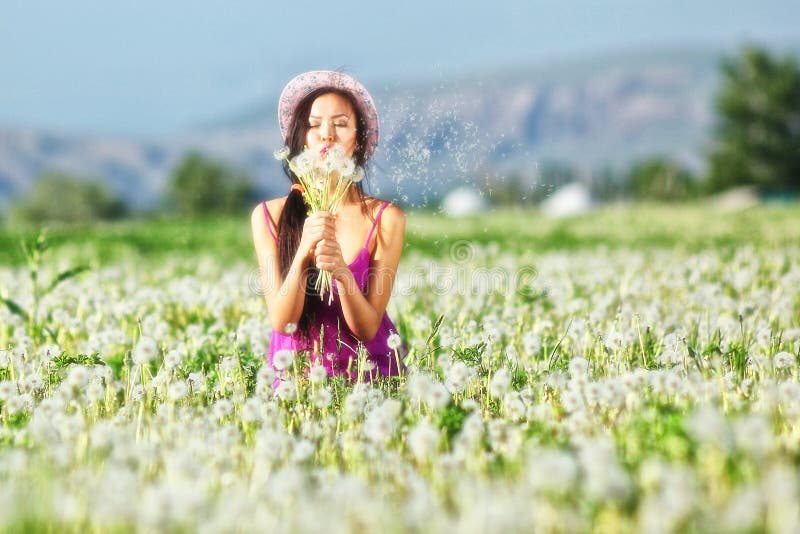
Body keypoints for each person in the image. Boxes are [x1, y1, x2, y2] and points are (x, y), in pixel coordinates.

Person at [251, 71, 406, 381]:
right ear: (299, 139)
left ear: (360, 141)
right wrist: (303, 252)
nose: (327, 134)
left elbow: (367, 328)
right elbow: (283, 321)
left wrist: (340, 271)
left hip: (369, 379)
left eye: (341, 124)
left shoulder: (385, 218)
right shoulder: (268, 216)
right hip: (296, 386)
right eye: (313, 125)